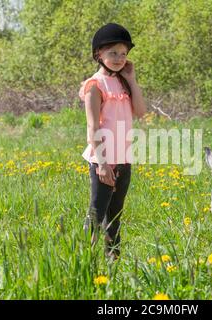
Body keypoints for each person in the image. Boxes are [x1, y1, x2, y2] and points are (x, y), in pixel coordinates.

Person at [79, 23, 146, 260]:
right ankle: (83, 261)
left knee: (115, 216)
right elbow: (93, 127)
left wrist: (132, 79)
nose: (119, 58)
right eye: (113, 53)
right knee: (97, 214)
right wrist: (103, 164)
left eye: (123, 54)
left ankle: (112, 262)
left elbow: (140, 111)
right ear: (99, 54)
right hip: (103, 160)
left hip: (124, 158)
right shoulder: (94, 85)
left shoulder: (124, 82)